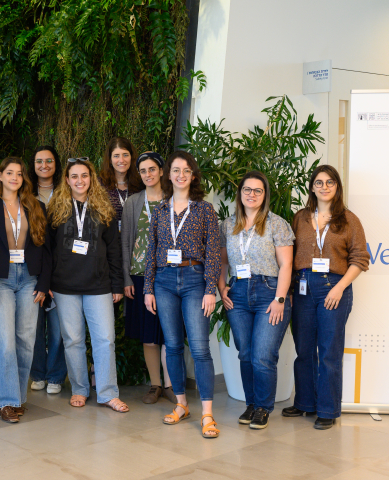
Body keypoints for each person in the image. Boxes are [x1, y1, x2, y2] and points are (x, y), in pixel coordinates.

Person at [282, 165, 369, 430]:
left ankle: (327, 409)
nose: (324, 187)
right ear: (312, 187)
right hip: (303, 288)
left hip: (334, 287)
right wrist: (290, 291)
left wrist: (339, 287)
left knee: (329, 351)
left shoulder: (349, 220)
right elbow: (289, 256)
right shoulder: (300, 218)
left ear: (337, 187)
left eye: (330, 182)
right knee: (304, 349)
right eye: (319, 182)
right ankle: (305, 402)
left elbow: (360, 259)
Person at [144, 150, 221, 438]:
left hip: (194, 280)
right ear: (169, 175)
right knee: (173, 346)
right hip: (164, 281)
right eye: (175, 170)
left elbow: (213, 252)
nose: (180, 175)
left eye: (186, 170)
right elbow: (151, 251)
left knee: (200, 348)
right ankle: (181, 404)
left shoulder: (204, 209)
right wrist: (148, 288)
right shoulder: (160, 210)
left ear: (193, 175)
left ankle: (207, 414)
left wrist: (210, 289)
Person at [47, 158, 129, 413]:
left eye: (84, 175)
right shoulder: (55, 210)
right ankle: (80, 389)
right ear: (67, 180)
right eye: (74, 176)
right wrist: (46, 282)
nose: (80, 180)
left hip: (99, 285)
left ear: (91, 178)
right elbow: (47, 249)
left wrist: (117, 285)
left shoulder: (104, 209)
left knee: (105, 339)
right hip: (64, 286)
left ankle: (107, 393)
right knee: (73, 340)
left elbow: (114, 250)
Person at [0, 157, 51, 422]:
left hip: (30, 278)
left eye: (19, 174)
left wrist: (43, 283)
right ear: (0, 176)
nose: (14, 178)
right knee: (5, 341)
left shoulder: (36, 206)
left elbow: (46, 249)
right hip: (1, 279)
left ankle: (17, 398)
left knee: (26, 340)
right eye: (9, 173)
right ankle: (5, 400)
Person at [217, 171, 294, 430]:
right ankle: (251, 404)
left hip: (269, 293)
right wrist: (222, 288)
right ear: (240, 193)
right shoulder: (228, 225)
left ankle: (263, 408)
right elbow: (222, 261)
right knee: (246, 354)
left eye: (257, 190)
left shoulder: (277, 224)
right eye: (247, 189)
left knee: (263, 355)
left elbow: (286, 265)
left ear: (265, 195)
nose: (252, 194)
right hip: (237, 294)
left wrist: (280, 299)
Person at [121, 152, 173, 404]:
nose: (148, 174)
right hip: (140, 276)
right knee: (149, 335)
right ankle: (155, 384)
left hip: (169, 275)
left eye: (152, 169)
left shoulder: (174, 199)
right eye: (143, 170)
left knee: (169, 333)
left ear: (162, 171)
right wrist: (126, 278)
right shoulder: (133, 202)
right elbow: (125, 242)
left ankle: (172, 385)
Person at [28, 145, 67, 394]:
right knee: (33, 327)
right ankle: (37, 373)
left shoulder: (66, 191)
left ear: (56, 164)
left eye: (49, 161)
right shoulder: (25, 193)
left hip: (62, 267)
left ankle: (55, 375)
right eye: (39, 161)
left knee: (57, 329)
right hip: (32, 268)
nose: (44, 165)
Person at [99, 137, 143, 230]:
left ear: (131, 157)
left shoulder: (140, 184)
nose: (121, 160)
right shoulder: (99, 185)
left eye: (125, 155)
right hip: (108, 237)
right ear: (110, 159)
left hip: (134, 237)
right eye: (116, 156)